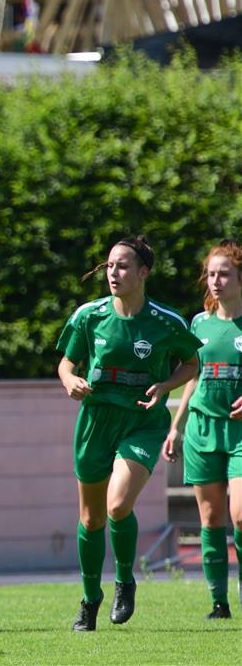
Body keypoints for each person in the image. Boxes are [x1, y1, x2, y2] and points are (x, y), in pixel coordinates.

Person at [56, 235, 201, 632]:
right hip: (96, 423)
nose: (113, 273)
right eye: (109, 266)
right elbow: (66, 364)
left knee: (117, 505)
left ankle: (124, 580)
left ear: (143, 272)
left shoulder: (165, 321)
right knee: (90, 518)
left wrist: (165, 385)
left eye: (122, 266)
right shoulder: (89, 315)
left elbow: (192, 364)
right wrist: (70, 380)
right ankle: (89, 600)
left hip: (141, 421)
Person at [163, 239, 242, 619]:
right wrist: (175, 427)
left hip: (240, 434)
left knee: (240, 515)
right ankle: (218, 602)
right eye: (211, 274)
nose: (216, 281)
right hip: (201, 430)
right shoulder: (199, 323)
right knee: (210, 519)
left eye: (224, 273)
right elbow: (191, 377)